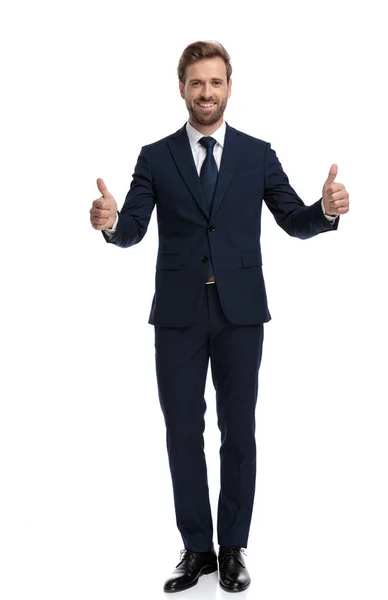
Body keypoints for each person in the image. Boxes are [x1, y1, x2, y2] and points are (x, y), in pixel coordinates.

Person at [89, 40, 350, 593]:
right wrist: (111, 223)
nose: (206, 93)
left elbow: (292, 219)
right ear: (181, 88)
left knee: (239, 431)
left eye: (215, 82)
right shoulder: (155, 157)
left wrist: (324, 212)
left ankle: (233, 548)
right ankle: (196, 549)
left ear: (230, 86)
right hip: (179, 317)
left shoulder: (257, 154)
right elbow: (133, 228)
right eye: (196, 83)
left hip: (240, 315)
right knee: (182, 432)